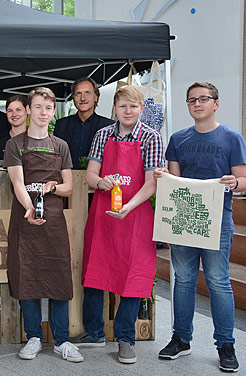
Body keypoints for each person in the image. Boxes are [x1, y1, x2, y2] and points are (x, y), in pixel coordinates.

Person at [154, 82, 246, 373]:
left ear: (216, 103)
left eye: (203, 99)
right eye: (192, 100)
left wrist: (235, 183)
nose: (197, 104)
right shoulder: (178, 139)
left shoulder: (232, 138)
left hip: (218, 221)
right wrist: (163, 176)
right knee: (182, 280)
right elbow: (175, 182)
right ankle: (181, 338)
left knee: (218, 281)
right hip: (183, 220)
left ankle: (225, 344)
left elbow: (244, 180)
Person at [73, 85, 164, 364]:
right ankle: (95, 332)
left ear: (141, 109)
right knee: (95, 270)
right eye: (123, 106)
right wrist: (100, 182)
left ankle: (125, 338)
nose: (127, 111)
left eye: (133, 107)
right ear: (114, 108)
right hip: (103, 215)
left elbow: (151, 183)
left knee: (133, 277)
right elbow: (90, 173)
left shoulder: (151, 138)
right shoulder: (102, 135)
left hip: (135, 216)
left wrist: (128, 207)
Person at [4, 87, 83, 363]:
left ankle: (62, 340)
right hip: (25, 218)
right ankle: (34, 337)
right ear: (28, 110)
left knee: (58, 274)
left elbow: (69, 187)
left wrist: (54, 187)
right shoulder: (16, 145)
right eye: (37, 107)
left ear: (53, 112)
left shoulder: (60, 145)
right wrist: (29, 207)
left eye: (48, 108)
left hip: (53, 220)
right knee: (27, 274)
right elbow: (17, 182)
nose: (43, 113)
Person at [54, 77, 114, 169]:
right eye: (78, 94)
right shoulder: (61, 125)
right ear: (73, 98)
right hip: (66, 180)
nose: (83, 98)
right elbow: (56, 158)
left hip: (99, 181)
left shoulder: (109, 126)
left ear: (96, 97)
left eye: (87, 93)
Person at [0, 94, 28, 169]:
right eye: (10, 111)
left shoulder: (36, 140)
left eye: (18, 110)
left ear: (27, 111)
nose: (14, 114)